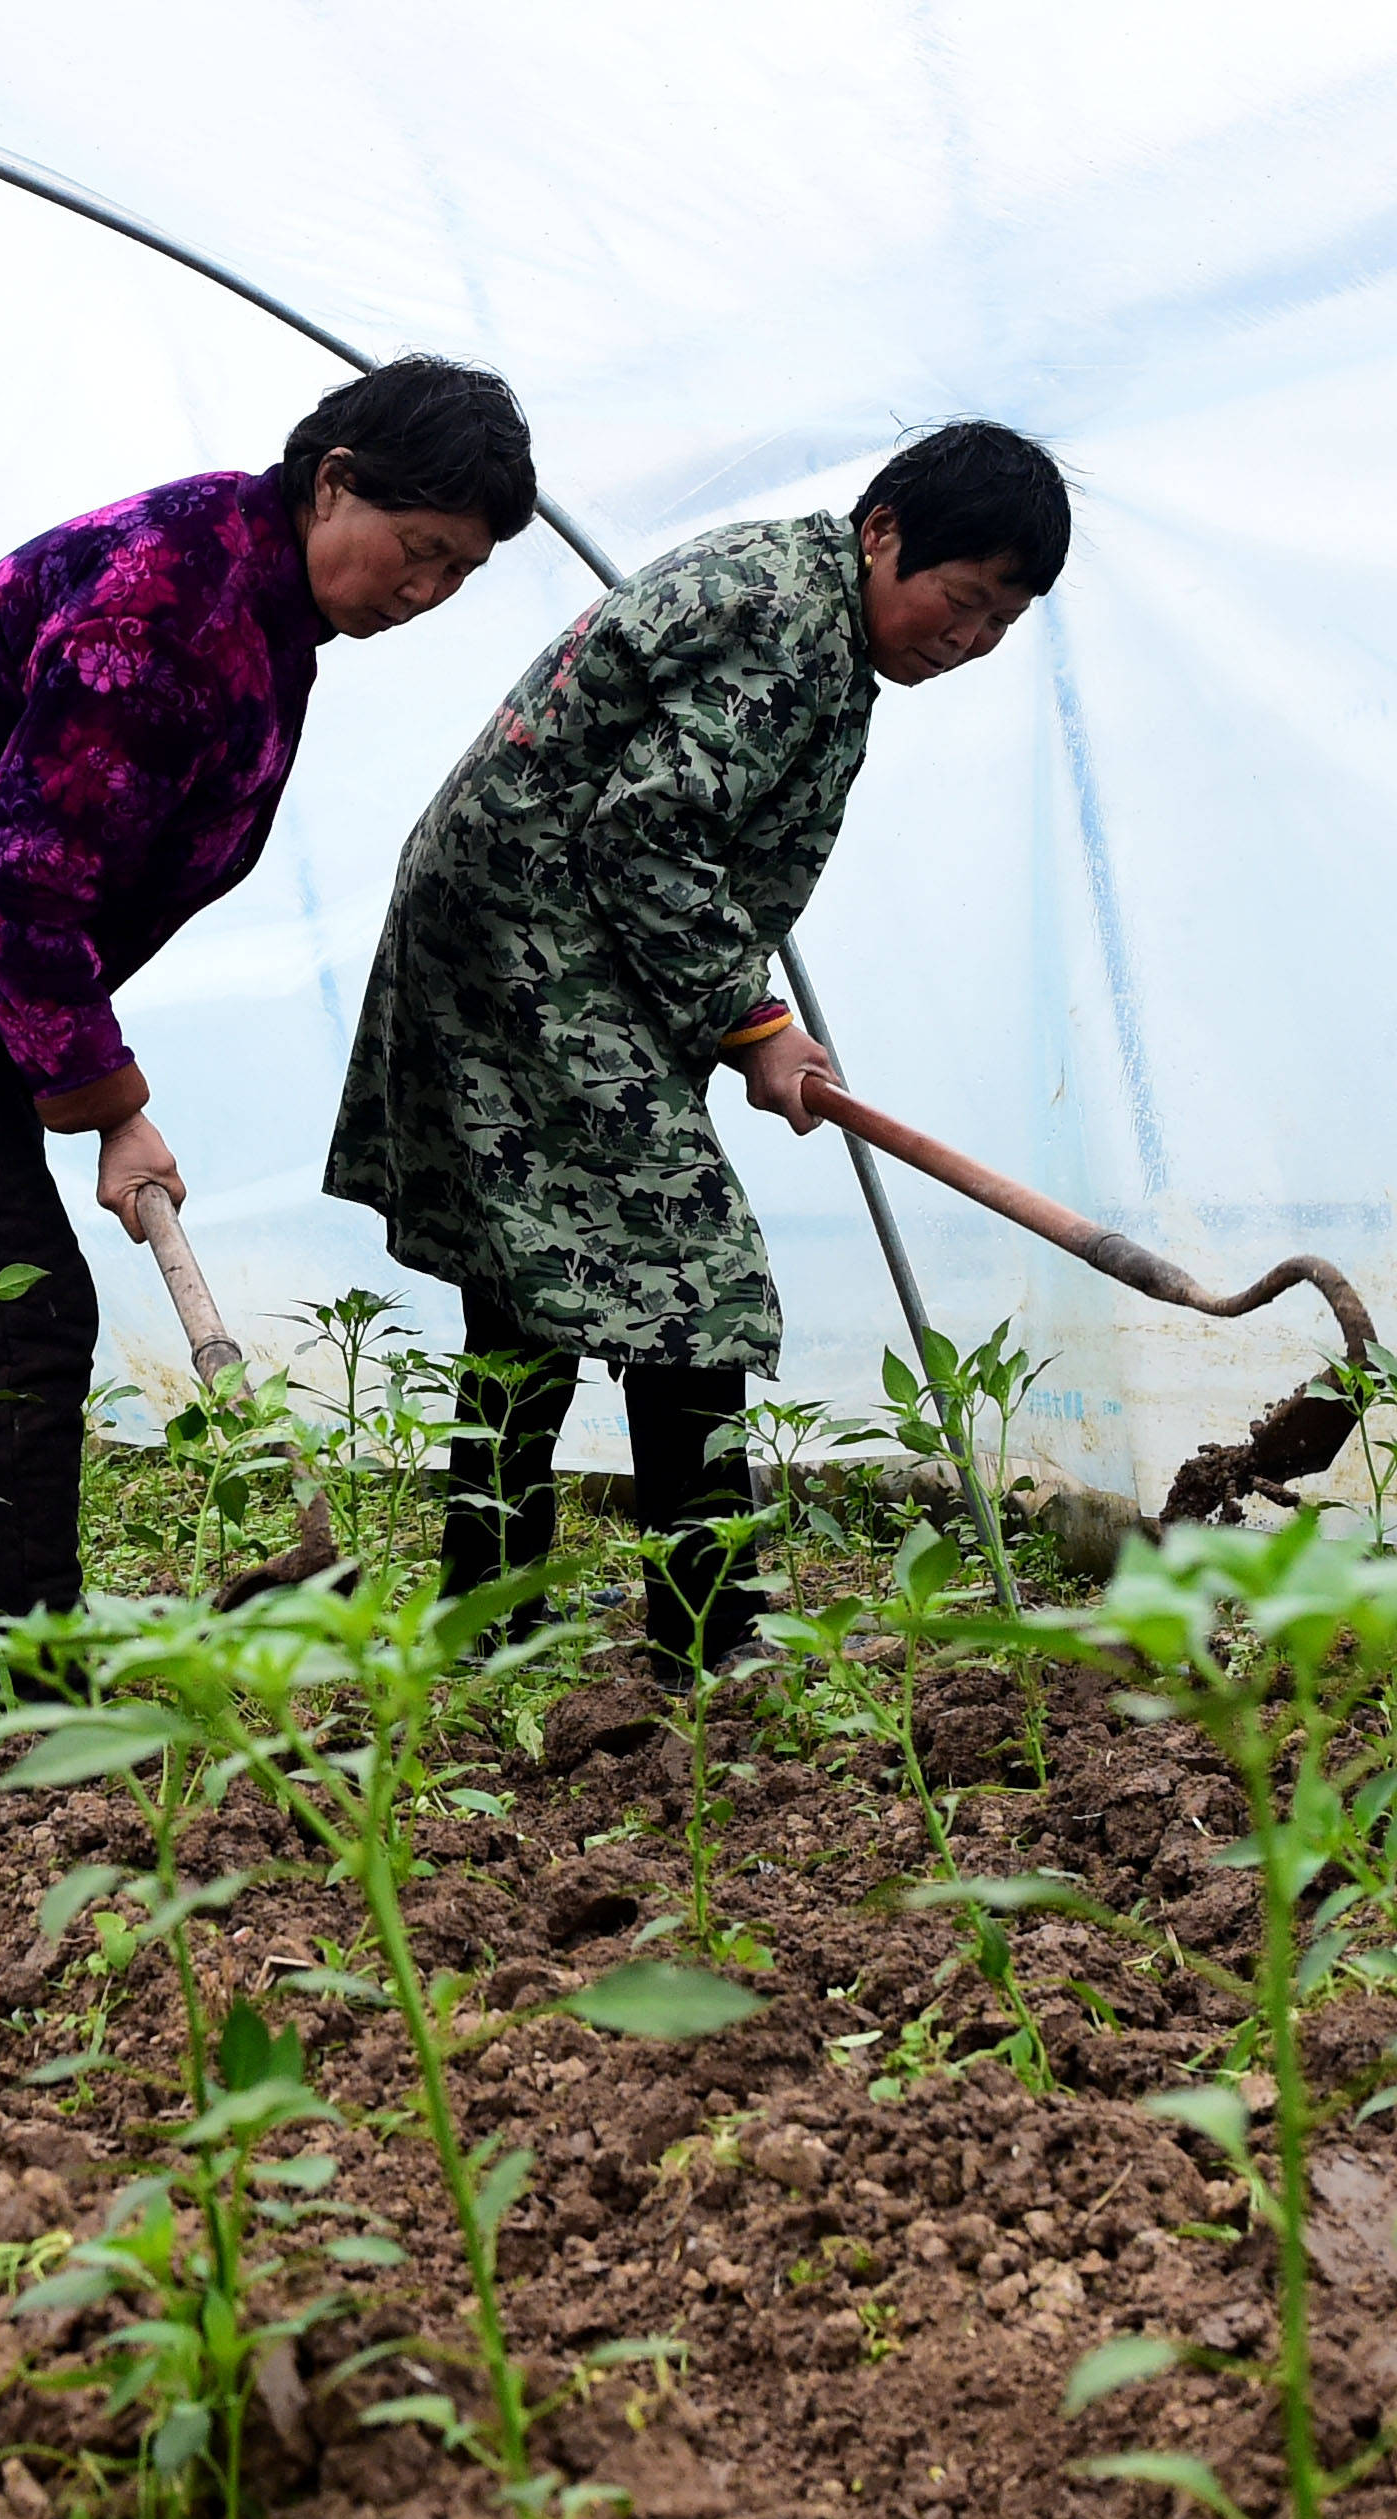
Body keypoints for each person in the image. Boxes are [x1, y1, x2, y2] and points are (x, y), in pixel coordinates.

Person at [0, 358, 541, 1670]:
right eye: (416, 550)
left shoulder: (263, 595)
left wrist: (78, 1068)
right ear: (334, 480)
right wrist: (110, 1109)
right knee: (17, 1306)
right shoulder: (169, 609)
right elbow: (17, 878)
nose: (424, 592)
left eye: (455, 571)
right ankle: (6, 1677)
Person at [325, 420, 1070, 1670]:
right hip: (535, 941)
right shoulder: (785, 617)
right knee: (692, 1283)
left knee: (531, 1283)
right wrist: (756, 1020)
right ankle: (706, 1628)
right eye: (961, 596)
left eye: (1002, 618)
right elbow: (650, 835)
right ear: (882, 532)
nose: (970, 635)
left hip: (554, 939)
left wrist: (737, 1006)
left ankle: (484, 1611)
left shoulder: (819, 622)